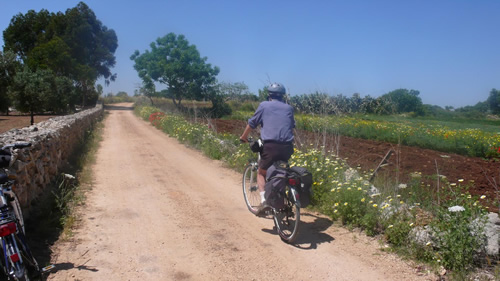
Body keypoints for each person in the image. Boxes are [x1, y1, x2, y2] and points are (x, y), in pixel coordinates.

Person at [240, 82, 295, 214]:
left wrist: (243, 137)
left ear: (269, 95)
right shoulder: (289, 108)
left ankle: (264, 201)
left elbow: (252, 123)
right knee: (281, 171)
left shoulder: (264, 105)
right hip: (287, 147)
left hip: (270, 146)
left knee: (261, 173)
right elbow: (291, 125)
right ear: (283, 96)